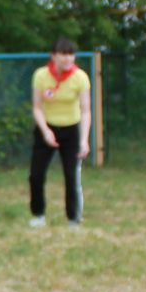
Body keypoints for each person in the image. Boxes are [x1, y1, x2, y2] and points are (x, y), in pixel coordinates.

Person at [30, 38, 91, 227]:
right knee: (36, 175)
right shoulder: (41, 75)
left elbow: (86, 110)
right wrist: (46, 131)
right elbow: (37, 107)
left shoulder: (80, 77)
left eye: (70, 54)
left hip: (71, 130)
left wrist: (84, 140)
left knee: (71, 176)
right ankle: (38, 215)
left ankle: (73, 219)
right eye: (63, 54)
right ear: (53, 55)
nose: (67, 58)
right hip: (46, 128)